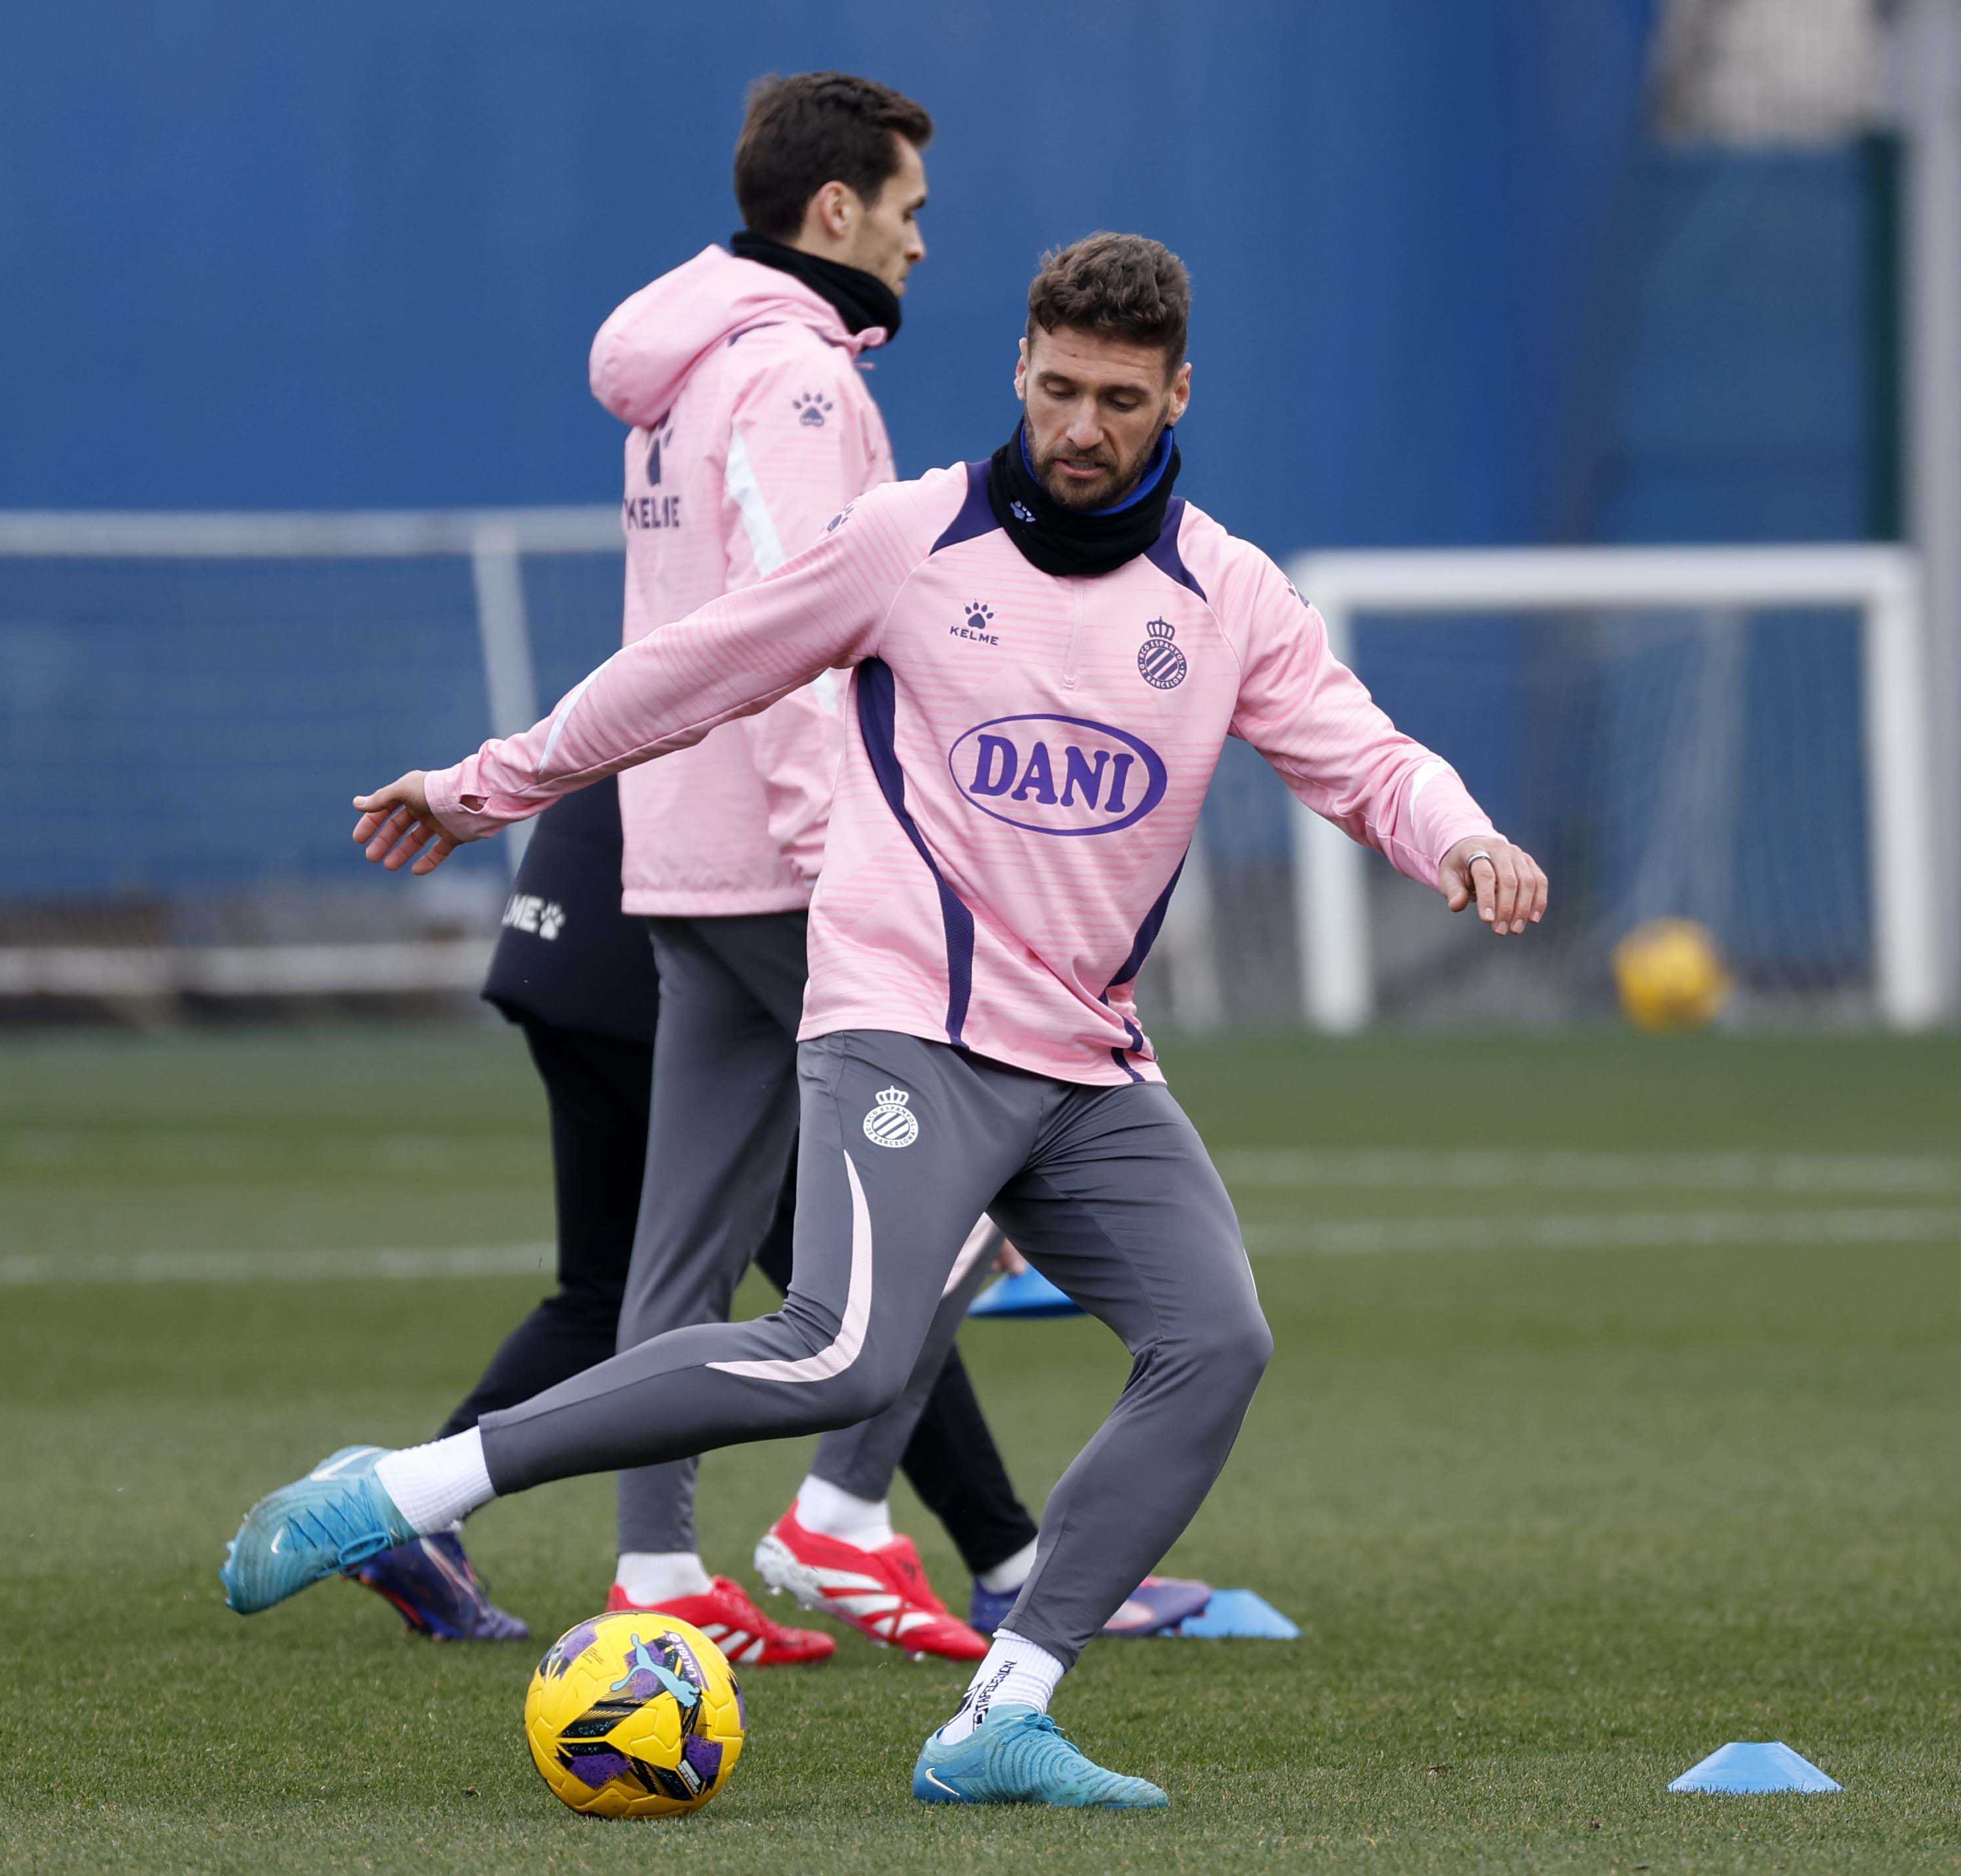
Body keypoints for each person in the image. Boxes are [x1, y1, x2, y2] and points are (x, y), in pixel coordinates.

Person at [224, 232, 1548, 1806]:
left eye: (1119, 400)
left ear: (1178, 395)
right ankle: (400, 1490)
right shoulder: (911, 537)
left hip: (1087, 1060)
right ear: (1020, 370)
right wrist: (481, 787)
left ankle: (1004, 1713)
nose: (1080, 427)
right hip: (901, 1023)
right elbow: (691, 672)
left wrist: (1458, 832)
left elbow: (1364, 755)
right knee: (843, 1350)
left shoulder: (1229, 594)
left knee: (1214, 1342)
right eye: (1058, 388)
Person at [344, 774, 1043, 1654]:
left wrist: (481, 787)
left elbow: (628, 714)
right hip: (702, 929)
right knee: (876, 1269)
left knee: (613, 1288)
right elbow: (810, 775)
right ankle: (892, 1531)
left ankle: (422, 1509)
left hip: (575, 928)